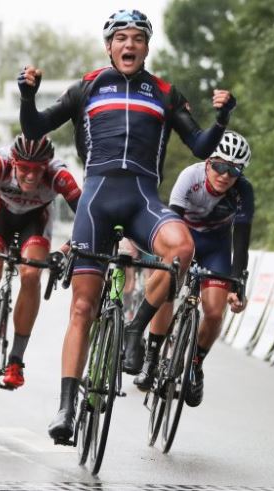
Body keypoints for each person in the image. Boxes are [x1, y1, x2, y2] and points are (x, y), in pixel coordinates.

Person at [17, 9, 237, 441]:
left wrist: (222, 119)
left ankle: (135, 330)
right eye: (121, 38)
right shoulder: (87, 87)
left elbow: (199, 146)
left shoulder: (164, 93)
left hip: (142, 201)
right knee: (82, 307)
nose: (129, 44)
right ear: (109, 46)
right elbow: (37, 126)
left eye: (137, 37)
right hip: (96, 202)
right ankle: (66, 408)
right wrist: (28, 96)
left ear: (147, 47)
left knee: (182, 249)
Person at [0, 134, 81, 390]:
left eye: (37, 170)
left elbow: (89, 220)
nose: (31, 176)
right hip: (0, 216)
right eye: (25, 169)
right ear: (14, 162)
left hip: (35, 222)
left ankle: (16, 360)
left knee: (31, 275)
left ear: (47, 166)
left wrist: (63, 251)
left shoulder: (59, 176)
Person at [133, 131, 254, 407]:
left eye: (234, 171)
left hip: (216, 247)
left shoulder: (243, 191)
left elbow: (241, 240)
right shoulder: (190, 176)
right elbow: (170, 223)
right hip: (183, 238)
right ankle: (151, 359)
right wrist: (167, 263)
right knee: (167, 291)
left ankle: (195, 366)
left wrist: (238, 283)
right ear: (209, 162)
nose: (225, 175)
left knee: (214, 312)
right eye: (220, 166)